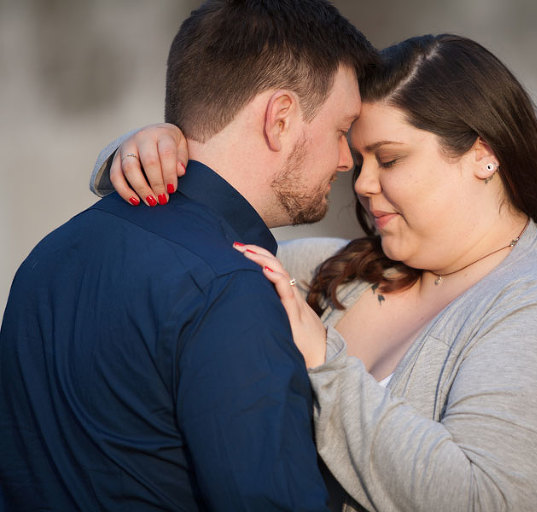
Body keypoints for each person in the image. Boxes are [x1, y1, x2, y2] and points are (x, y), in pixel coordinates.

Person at [90, 35, 537, 511]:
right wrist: (151, 149)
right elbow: (191, 264)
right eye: (358, 158)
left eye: (389, 159)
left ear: (483, 155)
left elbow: (478, 499)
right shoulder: (337, 275)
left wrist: (324, 363)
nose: (359, 184)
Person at [0, 0, 377, 510]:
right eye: (340, 130)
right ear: (281, 118)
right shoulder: (232, 288)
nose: (344, 160)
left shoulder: (50, 255)